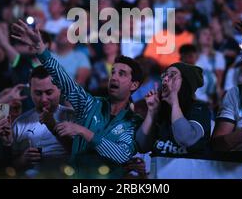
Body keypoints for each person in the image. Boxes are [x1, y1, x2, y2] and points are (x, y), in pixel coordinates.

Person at [10, 19, 143, 177]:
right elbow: (66, 83)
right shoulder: (90, 105)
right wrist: (41, 50)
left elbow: (121, 155)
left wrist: (83, 132)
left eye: (121, 74)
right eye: (113, 72)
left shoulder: (133, 122)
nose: (113, 77)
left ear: (134, 85)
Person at [136, 62, 211, 155]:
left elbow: (186, 139)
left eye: (172, 75)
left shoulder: (199, 108)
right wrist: (152, 112)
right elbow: (141, 146)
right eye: (164, 75)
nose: (165, 79)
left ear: (185, 83)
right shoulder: (161, 109)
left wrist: (174, 102)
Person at [11, 66, 73, 175]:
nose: (44, 99)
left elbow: (81, 155)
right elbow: (10, 166)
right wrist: (23, 159)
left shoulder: (73, 117)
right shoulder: (19, 123)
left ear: (60, 88)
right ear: (30, 91)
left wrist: (53, 126)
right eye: (38, 93)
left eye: (49, 92)